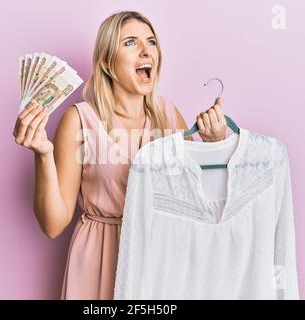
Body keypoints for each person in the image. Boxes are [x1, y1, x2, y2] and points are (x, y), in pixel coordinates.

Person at [13, 10, 227, 299]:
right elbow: (53, 225)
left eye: (151, 42)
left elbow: (200, 208)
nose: (145, 50)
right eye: (130, 42)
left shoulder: (169, 115)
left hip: (157, 256)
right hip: (98, 260)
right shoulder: (79, 120)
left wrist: (214, 146)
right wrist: (43, 154)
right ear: (107, 63)